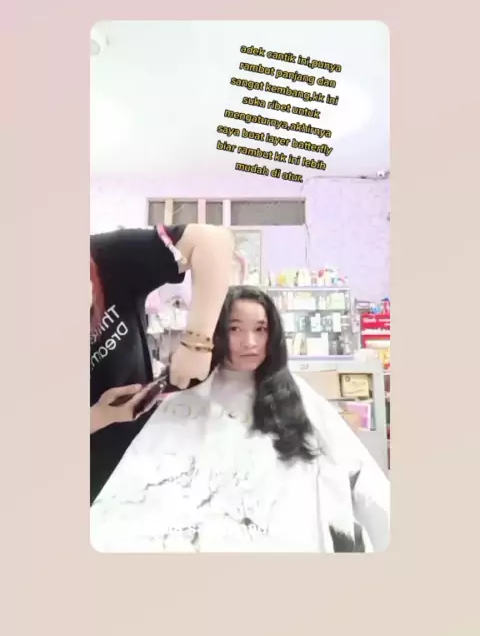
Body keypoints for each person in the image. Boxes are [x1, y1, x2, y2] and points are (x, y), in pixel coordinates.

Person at [90, 286, 390, 553]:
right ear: (217, 332)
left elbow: (360, 472)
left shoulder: (296, 395)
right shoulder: (186, 397)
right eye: (235, 329)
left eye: (260, 329)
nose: (250, 342)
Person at [90, 223, 234, 504]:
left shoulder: (108, 257)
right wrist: (100, 416)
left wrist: (197, 342)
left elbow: (213, 241)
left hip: (138, 458)